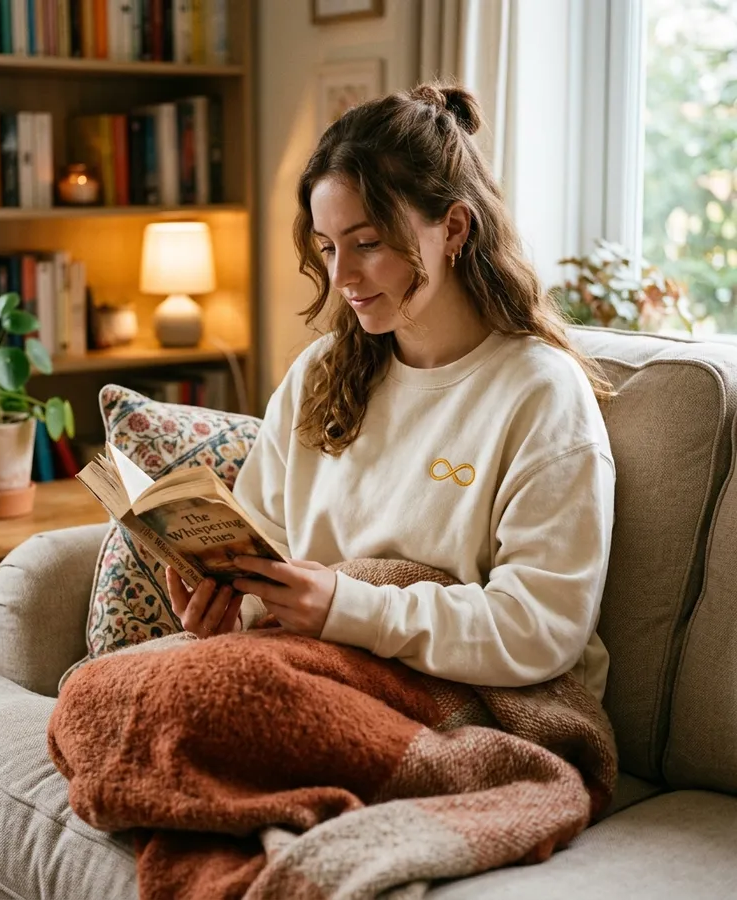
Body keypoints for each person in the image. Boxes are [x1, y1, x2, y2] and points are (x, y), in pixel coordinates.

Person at [165, 80, 615, 701]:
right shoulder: (321, 374)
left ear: (453, 227)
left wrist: (349, 608)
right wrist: (227, 608)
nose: (341, 276)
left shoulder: (540, 393)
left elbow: (541, 626)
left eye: (368, 243)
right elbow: (271, 555)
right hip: (313, 669)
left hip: (460, 695)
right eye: (327, 248)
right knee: (97, 692)